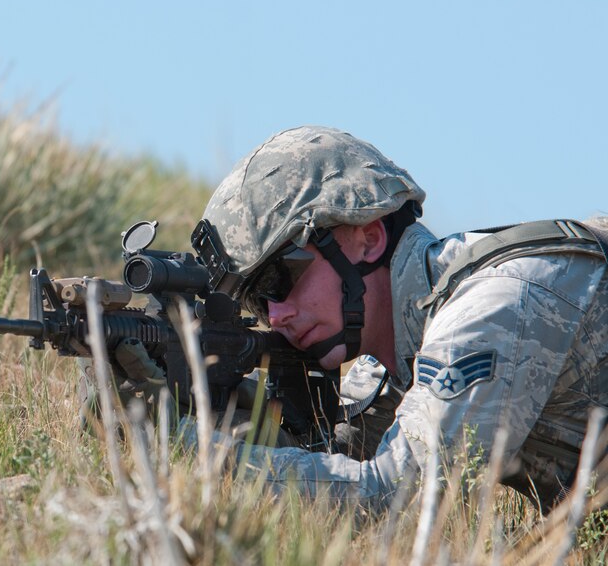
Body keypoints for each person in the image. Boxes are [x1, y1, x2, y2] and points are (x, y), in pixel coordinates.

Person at [178, 125, 608, 511]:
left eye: (279, 279)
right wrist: (204, 406)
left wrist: (195, 452)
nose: (275, 314)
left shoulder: (492, 307)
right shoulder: (385, 361)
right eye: (256, 300)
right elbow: (332, 460)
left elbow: (394, 498)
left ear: (368, 237)